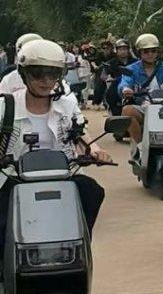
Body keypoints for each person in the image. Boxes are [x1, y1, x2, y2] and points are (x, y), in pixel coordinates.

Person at [0, 39, 112, 263]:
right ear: (24, 74)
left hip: (63, 176)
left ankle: (80, 250)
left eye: (52, 75)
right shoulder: (6, 106)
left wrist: (95, 150)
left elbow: (80, 132)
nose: (46, 81)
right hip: (15, 177)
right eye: (38, 74)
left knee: (92, 191)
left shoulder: (66, 105)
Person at [119, 33, 163, 145]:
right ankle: (139, 146)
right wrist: (125, 89)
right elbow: (124, 82)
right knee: (127, 110)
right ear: (139, 53)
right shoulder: (131, 69)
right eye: (146, 51)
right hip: (143, 107)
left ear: (157, 52)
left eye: (153, 51)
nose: (150, 54)